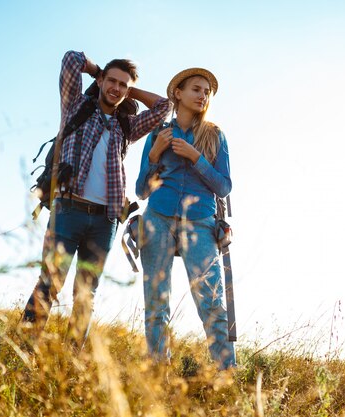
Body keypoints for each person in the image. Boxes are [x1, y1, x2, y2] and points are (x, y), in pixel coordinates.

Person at [21, 50, 171, 349]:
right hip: (68, 209)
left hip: (105, 220)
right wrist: (96, 70)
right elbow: (70, 60)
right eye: (111, 81)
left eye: (123, 85)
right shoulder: (75, 106)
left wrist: (131, 89)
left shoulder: (125, 127)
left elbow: (163, 108)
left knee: (86, 292)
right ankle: (24, 351)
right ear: (101, 81)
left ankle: (71, 359)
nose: (116, 88)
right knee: (50, 282)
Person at [135, 68, 236, 370]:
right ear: (177, 93)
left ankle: (225, 375)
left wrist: (196, 158)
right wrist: (155, 155)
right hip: (158, 218)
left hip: (201, 223)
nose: (202, 95)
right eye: (196, 89)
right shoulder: (157, 134)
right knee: (156, 301)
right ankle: (157, 371)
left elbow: (224, 186)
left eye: (207, 92)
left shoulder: (215, 135)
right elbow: (141, 190)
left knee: (212, 301)